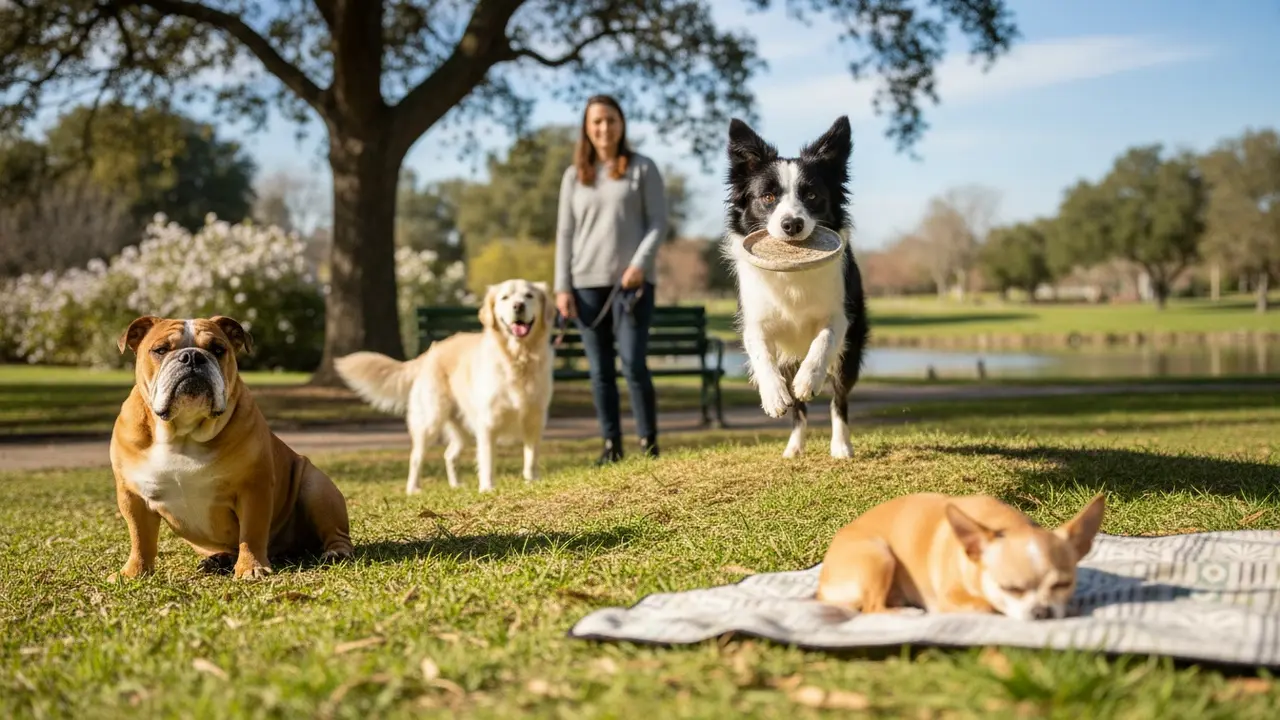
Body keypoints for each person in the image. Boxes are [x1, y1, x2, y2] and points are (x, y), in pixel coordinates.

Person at [553, 94, 667, 465]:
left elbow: (657, 223)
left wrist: (639, 265)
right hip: (585, 284)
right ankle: (610, 446)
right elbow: (565, 234)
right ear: (587, 128)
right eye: (597, 121)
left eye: (611, 120)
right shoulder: (574, 176)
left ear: (622, 124)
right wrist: (562, 286)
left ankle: (649, 444)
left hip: (632, 285)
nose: (604, 128)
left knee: (633, 364)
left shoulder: (642, 168)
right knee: (600, 371)